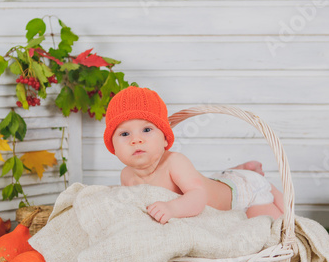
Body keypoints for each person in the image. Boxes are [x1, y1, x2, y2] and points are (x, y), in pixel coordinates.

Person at [103, 86, 284, 224]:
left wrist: (172, 208)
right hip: (216, 183)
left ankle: (249, 175)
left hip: (244, 196)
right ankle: (239, 170)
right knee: (208, 181)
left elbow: (199, 196)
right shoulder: (126, 175)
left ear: (165, 139)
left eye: (147, 129)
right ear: (113, 146)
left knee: (273, 224)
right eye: (124, 134)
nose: (136, 140)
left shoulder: (174, 162)